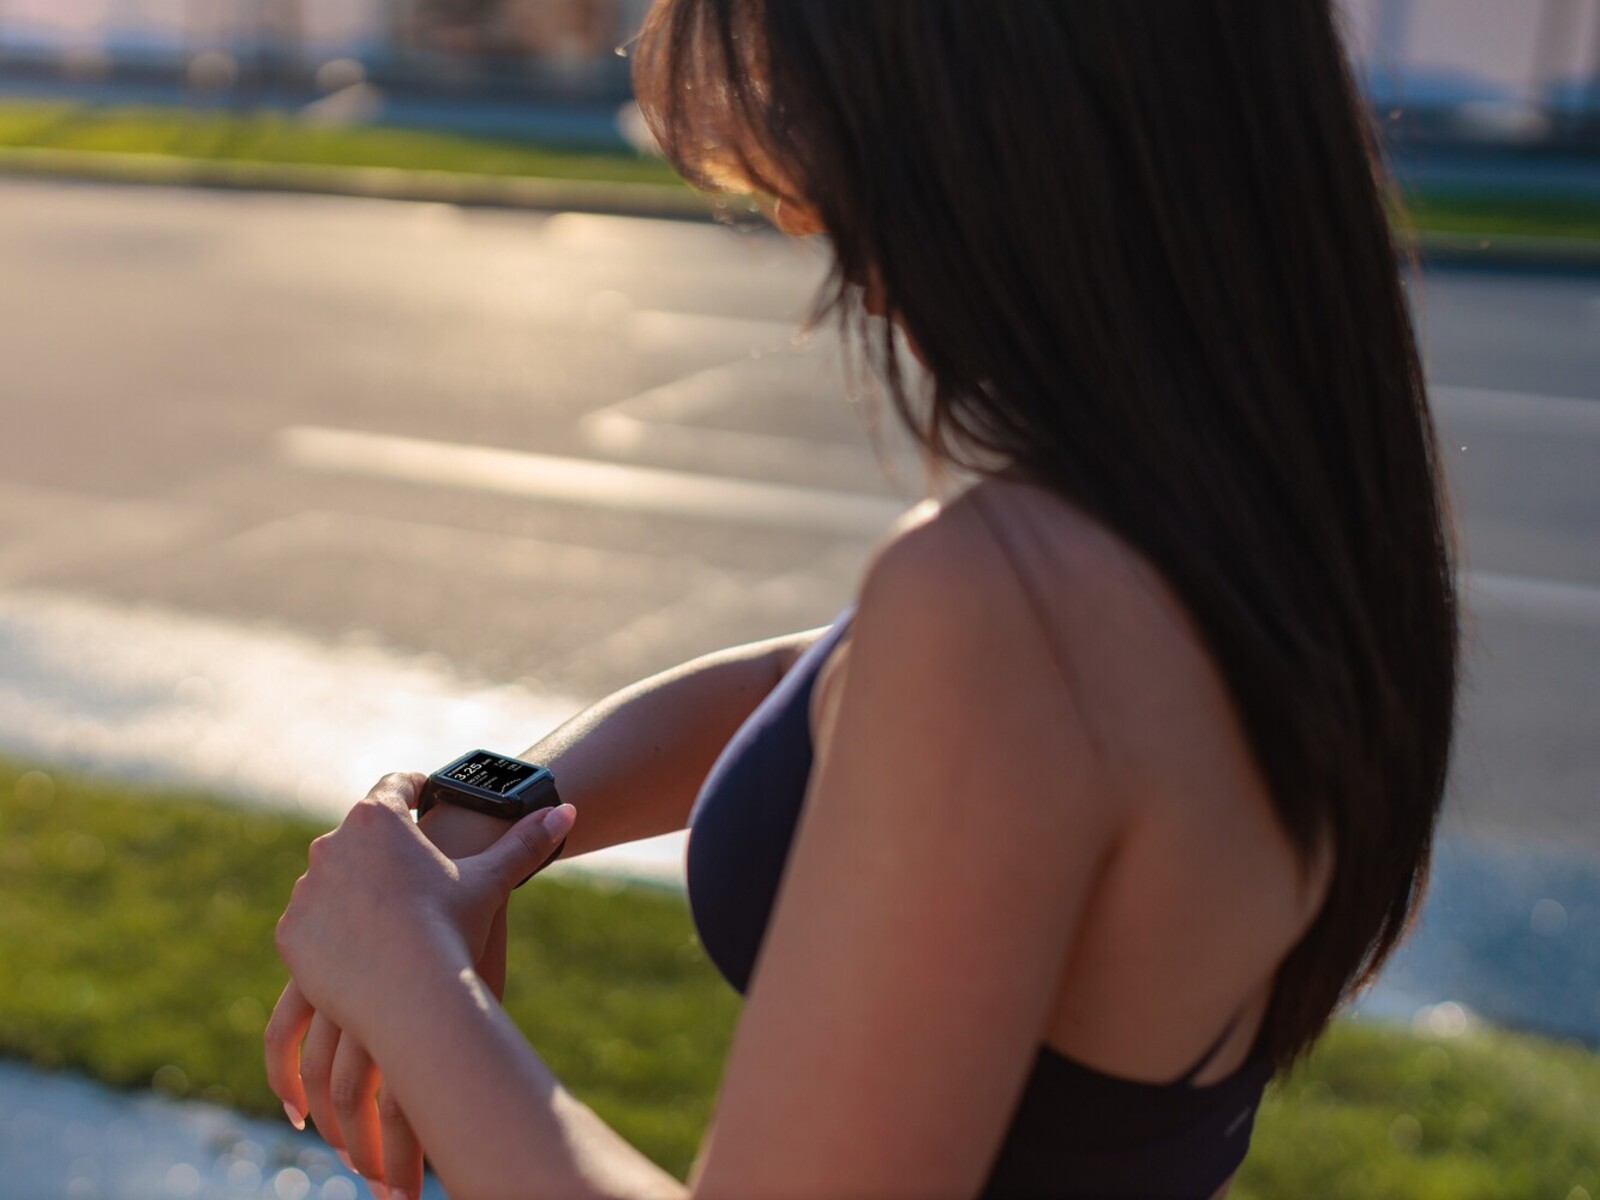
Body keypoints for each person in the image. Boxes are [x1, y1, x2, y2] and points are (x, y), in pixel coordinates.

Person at [265, 2, 1459, 1197]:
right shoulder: (1259, 541)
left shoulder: (1012, 610)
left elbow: (921, 680)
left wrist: (408, 974)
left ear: (1010, 120)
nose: (798, 209)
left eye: (827, 123)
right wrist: (497, 810)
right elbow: (820, 682)